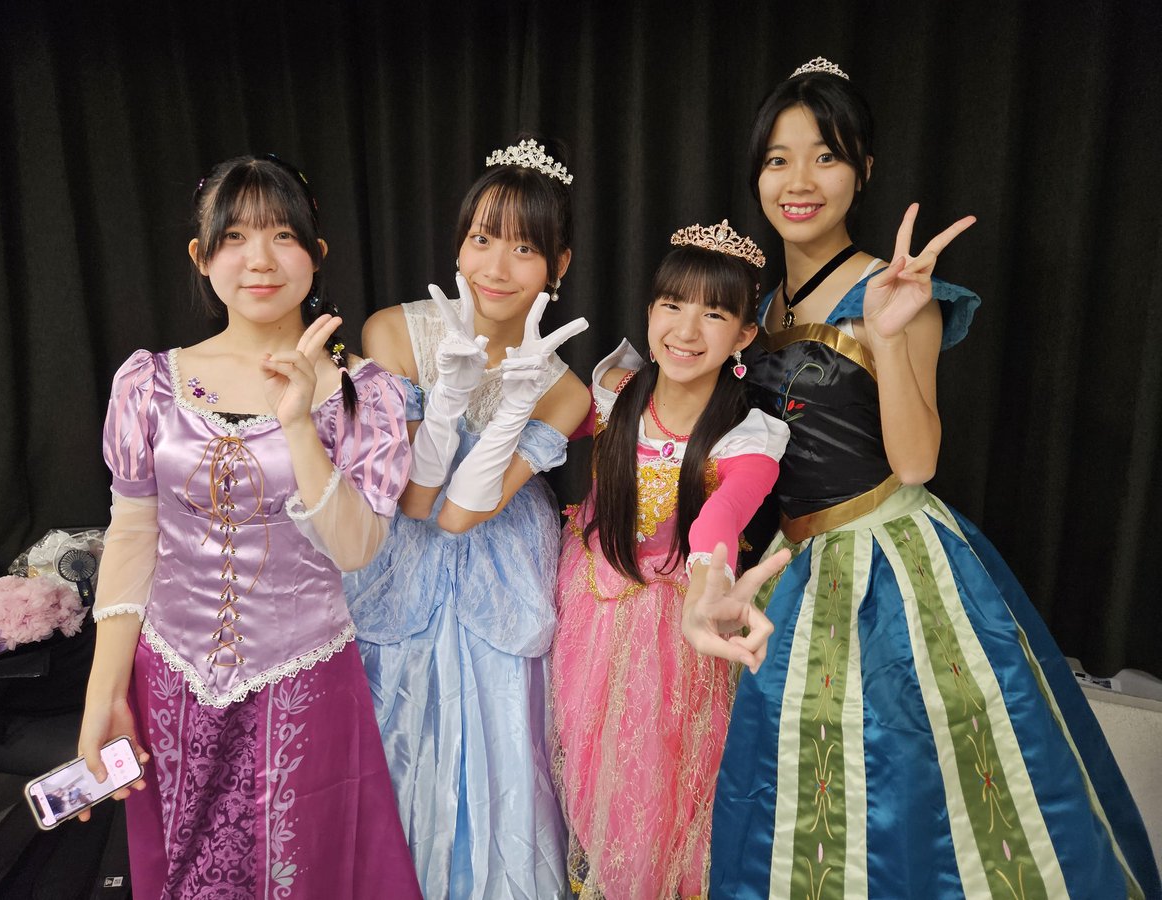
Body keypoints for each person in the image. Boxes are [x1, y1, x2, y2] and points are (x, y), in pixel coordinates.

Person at [689, 58, 1162, 899]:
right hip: (795, 571)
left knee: (917, 779)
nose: (800, 182)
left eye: (826, 156)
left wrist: (886, 332)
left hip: (891, 565)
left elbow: (916, 462)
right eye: (778, 159)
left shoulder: (898, 288)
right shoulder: (755, 307)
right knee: (801, 781)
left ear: (863, 168)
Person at [78, 154, 421, 898]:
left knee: (304, 873)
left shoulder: (365, 392)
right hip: (169, 680)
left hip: (303, 678)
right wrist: (105, 691)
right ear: (201, 258)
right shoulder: (150, 383)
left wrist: (298, 424)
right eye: (233, 237)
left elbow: (356, 548)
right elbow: (132, 536)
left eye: (281, 235)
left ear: (315, 254)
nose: (259, 259)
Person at [343, 137, 590, 899]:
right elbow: (416, 502)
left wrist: (517, 402)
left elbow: (459, 515)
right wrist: (449, 396)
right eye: (483, 239)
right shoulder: (394, 331)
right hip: (399, 549)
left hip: (500, 550)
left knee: (503, 735)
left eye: (525, 248)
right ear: (459, 244)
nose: (497, 267)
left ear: (559, 264)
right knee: (394, 716)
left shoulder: (565, 389)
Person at [551, 220, 791, 899]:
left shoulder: (749, 435)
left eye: (714, 313)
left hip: (675, 635)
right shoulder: (614, 390)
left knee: (661, 789)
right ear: (650, 310)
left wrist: (709, 582)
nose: (686, 330)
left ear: (744, 334)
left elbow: (722, 516)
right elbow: (539, 424)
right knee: (587, 771)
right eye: (672, 304)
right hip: (590, 608)